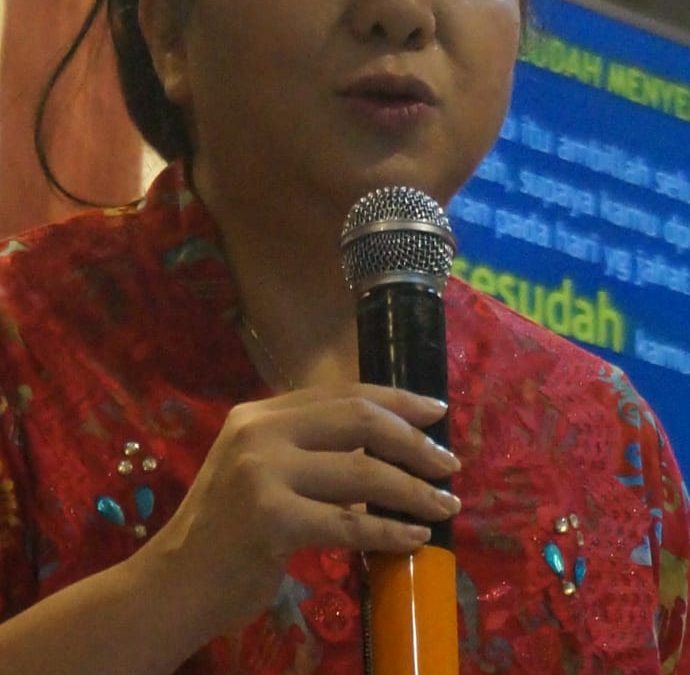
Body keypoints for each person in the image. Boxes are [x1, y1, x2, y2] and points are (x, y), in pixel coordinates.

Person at [0, 0, 687, 673]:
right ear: (169, 35)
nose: (402, 14)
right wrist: (161, 594)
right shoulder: (24, 336)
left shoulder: (611, 438)